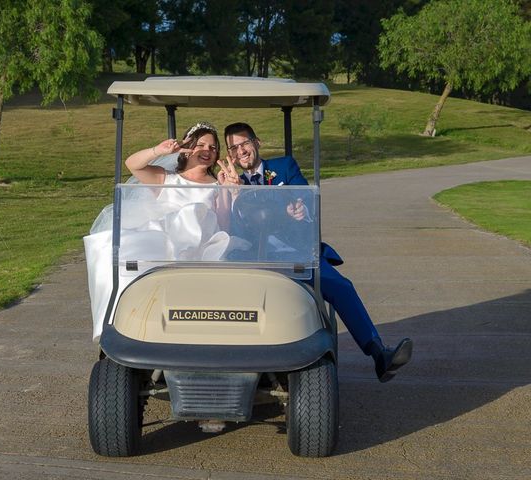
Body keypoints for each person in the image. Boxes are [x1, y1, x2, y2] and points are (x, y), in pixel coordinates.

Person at [222, 122, 413, 383]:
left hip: (294, 252)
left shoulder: (284, 167)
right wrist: (234, 194)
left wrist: (300, 211)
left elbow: (304, 201)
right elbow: (232, 228)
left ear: (257, 143)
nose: (241, 151)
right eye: (233, 148)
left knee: (340, 285)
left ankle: (378, 352)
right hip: (252, 257)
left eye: (244, 143)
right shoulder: (229, 180)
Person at [84, 122, 246, 341]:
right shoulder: (165, 179)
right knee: (112, 249)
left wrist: (229, 192)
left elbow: (223, 227)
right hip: (161, 242)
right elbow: (133, 164)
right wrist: (158, 151)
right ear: (188, 147)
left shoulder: (218, 185)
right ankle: (121, 325)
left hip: (197, 248)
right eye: (201, 145)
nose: (207, 151)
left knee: (194, 214)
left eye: (213, 147)